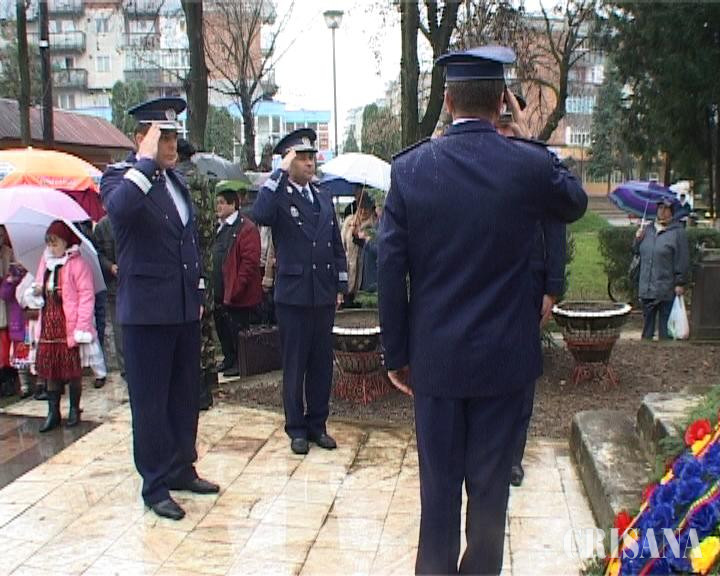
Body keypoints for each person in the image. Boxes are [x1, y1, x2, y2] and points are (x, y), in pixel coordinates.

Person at [377, 46, 587, 575]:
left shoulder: (411, 169)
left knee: (438, 495)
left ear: (448, 102)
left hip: (437, 362)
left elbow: (389, 270)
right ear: (502, 102)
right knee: (490, 497)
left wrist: (397, 355)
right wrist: (531, 137)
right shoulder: (528, 165)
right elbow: (574, 202)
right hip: (504, 362)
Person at [100, 97, 219, 521]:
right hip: (147, 314)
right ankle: (154, 484)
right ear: (141, 138)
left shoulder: (176, 182)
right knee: (150, 403)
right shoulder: (120, 178)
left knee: (184, 397)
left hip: (183, 310)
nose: (171, 144)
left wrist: (197, 293)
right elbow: (120, 212)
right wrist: (146, 162)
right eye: (162, 136)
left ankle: (181, 467)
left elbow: (188, 243)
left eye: (173, 136)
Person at [252, 128, 348, 455]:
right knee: (295, 365)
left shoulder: (322, 194)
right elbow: (260, 214)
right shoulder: (278, 195)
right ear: (288, 161)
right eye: (302, 158)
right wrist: (278, 173)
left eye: (311, 157)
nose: (310, 163)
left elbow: (334, 243)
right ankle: (296, 428)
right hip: (294, 294)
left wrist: (340, 284)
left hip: (322, 292)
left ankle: (317, 424)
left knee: (321, 364)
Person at [496, 93, 568, 487]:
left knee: (522, 377)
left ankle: (512, 457)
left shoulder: (538, 168)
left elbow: (556, 228)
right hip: (487, 288)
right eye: (500, 123)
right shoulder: (481, 164)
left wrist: (552, 289)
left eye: (512, 124)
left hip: (528, 287)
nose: (505, 131)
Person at [34, 221, 96, 432]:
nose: (51, 248)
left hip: (68, 324)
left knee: (72, 370)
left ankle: (74, 409)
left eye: (55, 243)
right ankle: (53, 412)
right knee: (51, 369)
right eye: (49, 244)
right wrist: (36, 292)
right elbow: (39, 285)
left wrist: (82, 327)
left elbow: (86, 297)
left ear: (65, 242)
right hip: (49, 324)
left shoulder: (78, 265)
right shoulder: (46, 262)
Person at [212, 188, 262, 377]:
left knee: (237, 330)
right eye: (217, 202)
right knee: (223, 328)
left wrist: (237, 287)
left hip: (238, 294)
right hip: (219, 291)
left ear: (233, 204)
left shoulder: (245, 228)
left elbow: (249, 262)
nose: (218, 206)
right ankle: (229, 358)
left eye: (222, 203)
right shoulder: (218, 227)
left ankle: (240, 362)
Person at [634, 198, 689, 341]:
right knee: (647, 330)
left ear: (671, 212)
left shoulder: (678, 232)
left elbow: (682, 258)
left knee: (665, 330)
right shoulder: (647, 229)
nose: (662, 211)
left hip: (666, 288)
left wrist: (680, 282)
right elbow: (637, 253)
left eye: (666, 208)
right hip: (647, 287)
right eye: (660, 208)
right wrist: (637, 240)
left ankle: (664, 352)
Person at [93, 214, 123, 378]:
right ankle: (125, 369)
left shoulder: (132, 218)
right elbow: (97, 253)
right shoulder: (102, 226)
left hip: (136, 283)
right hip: (114, 284)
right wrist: (110, 266)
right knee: (119, 328)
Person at [341, 194, 376, 306]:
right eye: (361, 207)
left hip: (366, 282)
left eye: (367, 208)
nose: (363, 211)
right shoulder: (349, 222)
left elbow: (375, 249)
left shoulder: (375, 225)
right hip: (349, 278)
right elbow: (341, 247)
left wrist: (363, 237)